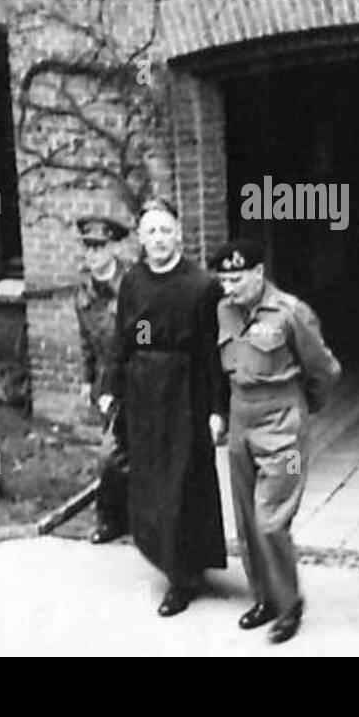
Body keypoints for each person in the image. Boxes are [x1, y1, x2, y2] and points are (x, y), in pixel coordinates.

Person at [209, 239, 341, 644]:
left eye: (237, 278)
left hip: (283, 420)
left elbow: (324, 369)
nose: (229, 286)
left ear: (258, 273)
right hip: (241, 419)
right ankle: (264, 595)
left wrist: (302, 411)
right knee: (248, 518)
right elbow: (223, 366)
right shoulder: (224, 310)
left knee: (271, 515)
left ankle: (289, 604)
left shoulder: (290, 312)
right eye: (224, 279)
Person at [102, 197, 227, 616]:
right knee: (151, 483)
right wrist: (111, 384)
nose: (158, 239)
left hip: (185, 393)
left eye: (165, 230)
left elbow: (212, 353)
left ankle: (183, 577)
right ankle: (170, 558)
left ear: (179, 233)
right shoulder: (134, 283)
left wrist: (216, 409)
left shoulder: (201, 287)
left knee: (182, 483)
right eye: (150, 231)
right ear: (140, 238)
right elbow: (126, 336)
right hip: (144, 395)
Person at [72, 215, 133, 544]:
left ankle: (137, 521)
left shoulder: (134, 285)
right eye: (88, 247)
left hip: (137, 379)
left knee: (129, 454)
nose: (93, 253)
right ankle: (111, 521)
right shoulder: (83, 292)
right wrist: (86, 381)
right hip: (107, 386)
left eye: (100, 246)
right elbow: (86, 343)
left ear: (114, 247)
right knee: (112, 455)